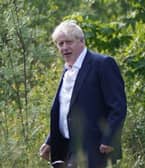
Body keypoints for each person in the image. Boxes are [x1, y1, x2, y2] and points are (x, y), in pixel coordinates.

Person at [39, 20, 127, 168]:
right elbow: (66, 110)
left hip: (95, 148)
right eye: (60, 44)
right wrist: (50, 140)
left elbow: (118, 106)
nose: (64, 48)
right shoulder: (67, 70)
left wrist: (110, 139)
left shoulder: (103, 64)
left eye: (69, 42)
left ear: (81, 41)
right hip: (66, 147)